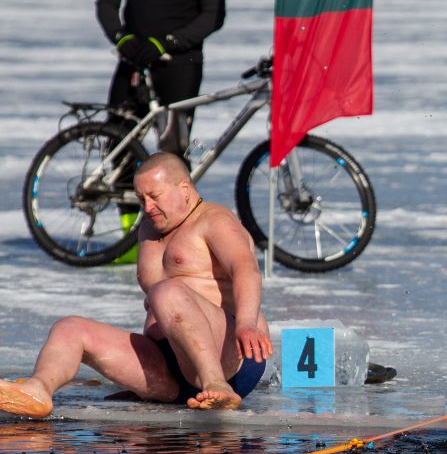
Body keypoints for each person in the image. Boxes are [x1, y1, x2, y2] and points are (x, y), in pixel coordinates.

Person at [0, 152, 272, 417]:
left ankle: (215, 385)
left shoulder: (215, 220)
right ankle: (39, 390)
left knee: (166, 292)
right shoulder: (149, 229)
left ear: (185, 189)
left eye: (155, 196)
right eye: (142, 199)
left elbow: (245, 269)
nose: (147, 207)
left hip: (229, 359)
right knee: (70, 328)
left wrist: (247, 322)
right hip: (169, 364)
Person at [96, 0, 226, 156]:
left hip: (179, 64)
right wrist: (120, 37)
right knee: (119, 144)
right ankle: (122, 184)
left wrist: (169, 42)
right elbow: (106, 3)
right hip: (134, 60)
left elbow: (213, 16)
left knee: (174, 151)